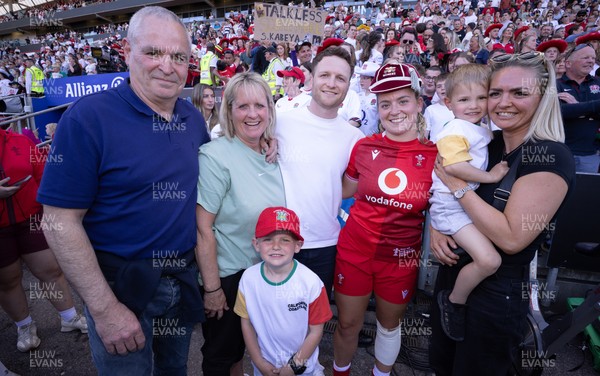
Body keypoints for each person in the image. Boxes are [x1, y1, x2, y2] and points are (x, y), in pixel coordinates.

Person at [38, 7, 209, 375]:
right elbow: (57, 221)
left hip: (181, 279)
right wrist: (103, 308)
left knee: (174, 371)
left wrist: (263, 146)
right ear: (127, 52)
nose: (168, 65)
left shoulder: (192, 117)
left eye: (178, 56)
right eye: (153, 52)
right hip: (120, 290)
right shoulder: (88, 118)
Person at [429, 51, 576, 376]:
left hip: (496, 294)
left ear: (542, 96)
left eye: (519, 93)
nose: (502, 102)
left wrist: (458, 187)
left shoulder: (549, 155)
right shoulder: (487, 142)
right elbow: (439, 181)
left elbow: (511, 238)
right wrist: (438, 227)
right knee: (442, 366)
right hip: (452, 277)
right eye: (495, 92)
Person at [332, 62, 438, 376]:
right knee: (348, 324)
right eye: (385, 103)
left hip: (400, 259)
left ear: (419, 103)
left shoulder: (435, 155)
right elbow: (341, 191)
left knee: (389, 327)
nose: (394, 111)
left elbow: (447, 206)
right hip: (355, 253)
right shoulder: (363, 146)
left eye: (403, 100)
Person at [196, 72, 285, 376]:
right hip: (230, 276)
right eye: (242, 106)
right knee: (222, 355)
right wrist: (212, 289)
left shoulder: (273, 151)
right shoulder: (214, 156)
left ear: (270, 111)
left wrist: (274, 142)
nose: (252, 114)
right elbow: (202, 228)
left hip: (269, 272)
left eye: (260, 106)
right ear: (229, 111)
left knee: (251, 349)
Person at [429, 64, 510, 341]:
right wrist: (490, 176)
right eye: (465, 99)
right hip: (451, 206)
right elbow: (454, 167)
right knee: (489, 260)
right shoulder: (454, 129)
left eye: (481, 97)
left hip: (461, 203)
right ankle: (454, 302)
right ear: (449, 103)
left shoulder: (477, 126)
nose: (474, 105)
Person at [276, 46, 364, 300]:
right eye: (325, 75)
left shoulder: (355, 138)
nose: (332, 84)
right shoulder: (280, 122)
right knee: (273, 322)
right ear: (312, 78)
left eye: (341, 78)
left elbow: (348, 188)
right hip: (278, 240)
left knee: (314, 321)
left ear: (348, 87)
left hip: (326, 245)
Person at [0, 127, 87, 353]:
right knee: (7, 280)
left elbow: (42, 174)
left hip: (31, 218)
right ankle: (24, 326)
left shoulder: (19, 140)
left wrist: (48, 210)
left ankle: (69, 317)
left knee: (50, 269)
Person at [234, 207, 333, 376]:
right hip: (265, 367)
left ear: (298, 245)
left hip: (303, 369)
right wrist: (259, 362)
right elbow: (247, 323)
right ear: (256, 244)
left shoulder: (311, 283)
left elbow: (316, 331)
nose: (276, 246)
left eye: (285, 240)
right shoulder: (248, 279)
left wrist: (293, 367)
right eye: (268, 239)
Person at [556, 44, 600, 173]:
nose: (591, 61)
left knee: (586, 191)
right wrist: (594, 108)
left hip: (591, 154)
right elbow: (558, 112)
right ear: (568, 63)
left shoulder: (598, 83)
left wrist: (576, 106)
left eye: (593, 57)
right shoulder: (554, 84)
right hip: (560, 153)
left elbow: (570, 110)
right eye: (585, 57)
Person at [425, 73, 454, 140]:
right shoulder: (430, 110)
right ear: (436, 90)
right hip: (435, 148)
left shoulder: (459, 108)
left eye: (446, 85)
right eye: (439, 86)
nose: (443, 88)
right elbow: (424, 134)